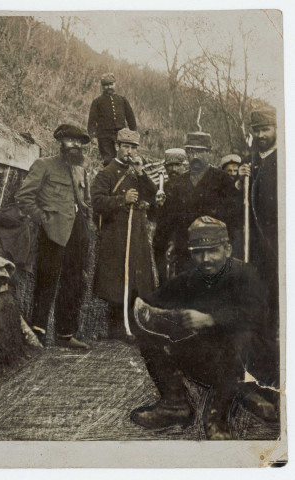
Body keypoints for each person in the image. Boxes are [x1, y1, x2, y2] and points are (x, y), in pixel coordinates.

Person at [131, 217, 268, 440]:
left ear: (227, 249)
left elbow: (257, 316)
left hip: (245, 362)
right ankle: (174, 404)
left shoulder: (245, 274)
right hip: (208, 361)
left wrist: (210, 319)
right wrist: (151, 310)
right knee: (150, 335)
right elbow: (154, 303)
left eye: (213, 251)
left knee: (241, 338)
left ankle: (218, 415)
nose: (205, 259)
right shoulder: (190, 278)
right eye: (198, 252)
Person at [15, 124, 93, 349]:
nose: (75, 145)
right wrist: (43, 219)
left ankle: (65, 335)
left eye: (79, 142)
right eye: (71, 140)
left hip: (77, 233)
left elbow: (83, 201)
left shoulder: (80, 170)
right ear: (61, 142)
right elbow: (24, 197)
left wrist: (86, 224)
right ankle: (38, 333)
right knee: (46, 280)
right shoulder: (44, 165)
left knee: (74, 281)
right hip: (53, 233)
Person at [91, 128, 159, 341]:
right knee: (117, 282)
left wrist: (140, 173)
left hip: (136, 234)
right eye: (126, 147)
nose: (129, 151)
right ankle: (117, 330)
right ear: (117, 147)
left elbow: (152, 194)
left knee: (137, 280)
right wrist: (122, 200)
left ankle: (135, 326)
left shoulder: (137, 172)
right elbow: (97, 202)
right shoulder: (107, 173)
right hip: (116, 236)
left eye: (133, 148)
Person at [153, 132, 240, 279]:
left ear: (209, 153)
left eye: (200, 151)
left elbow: (233, 219)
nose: (195, 157)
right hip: (185, 252)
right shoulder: (178, 183)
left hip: (213, 252)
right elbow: (167, 222)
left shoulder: (222, 180)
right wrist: (170, 243)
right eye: (191, 152)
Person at [237, 106, 279, 408]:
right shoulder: (252, 160)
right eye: (256, 130)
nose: (261, 135)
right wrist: (240, 181)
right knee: (257, 315)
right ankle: (257, 379)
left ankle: (274, 381)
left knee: (274, 316)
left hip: (278, 250)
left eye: (266, 129)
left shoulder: (284, 160)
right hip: (256, 254)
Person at [87, 73, 137, 165]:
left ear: (115, 84)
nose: (109, 87)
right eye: (106, 85)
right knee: (108, 160)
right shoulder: (97, 102)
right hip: (104, 137)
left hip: (121, 136)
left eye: (111, 84)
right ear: (102, 86)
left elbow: (131, 118)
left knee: (123, 159)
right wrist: (93, 136)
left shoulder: (122, 100)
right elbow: (91, 121)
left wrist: (133, 133)